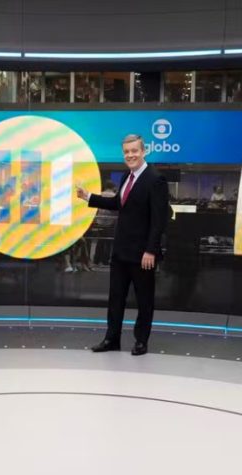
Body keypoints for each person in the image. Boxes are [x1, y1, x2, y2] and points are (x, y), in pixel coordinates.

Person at [76, 134, 170, 355]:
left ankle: (141, 341)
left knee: (144, 299)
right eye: (126, 152)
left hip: (142, 254)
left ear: (143, 151)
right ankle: (112, 339)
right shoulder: (127, 177)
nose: (130, 155)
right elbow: (117, 203)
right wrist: (88, 197)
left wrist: (151, 250)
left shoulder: (155, 179)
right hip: (120, 251)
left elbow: (159, 220)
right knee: (115, 297)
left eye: (134, 151)